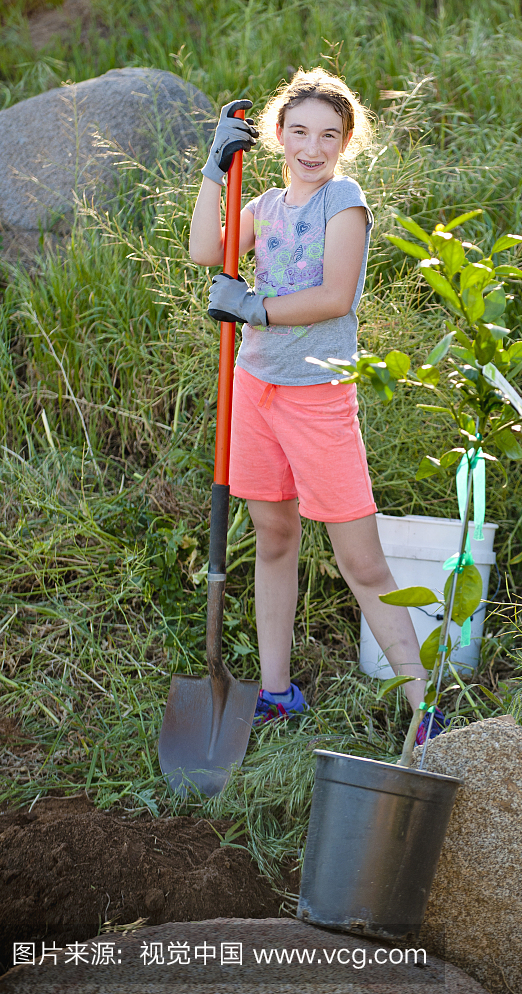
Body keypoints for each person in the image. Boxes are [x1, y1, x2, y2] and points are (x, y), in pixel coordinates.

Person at [189, 67, 446, 743]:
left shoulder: (344, 201)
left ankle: (424, 709)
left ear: (345, 143)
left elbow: (334, 295)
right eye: (298, 130)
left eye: (328, 135)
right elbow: (201, 251)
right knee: (273, 538)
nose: (312, 146)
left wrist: (253, 306)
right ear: (276, 134)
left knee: (360, 561)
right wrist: (215, 172)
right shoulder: (264, 205)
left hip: (318, 398)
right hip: (256, 390)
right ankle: (276, 694)